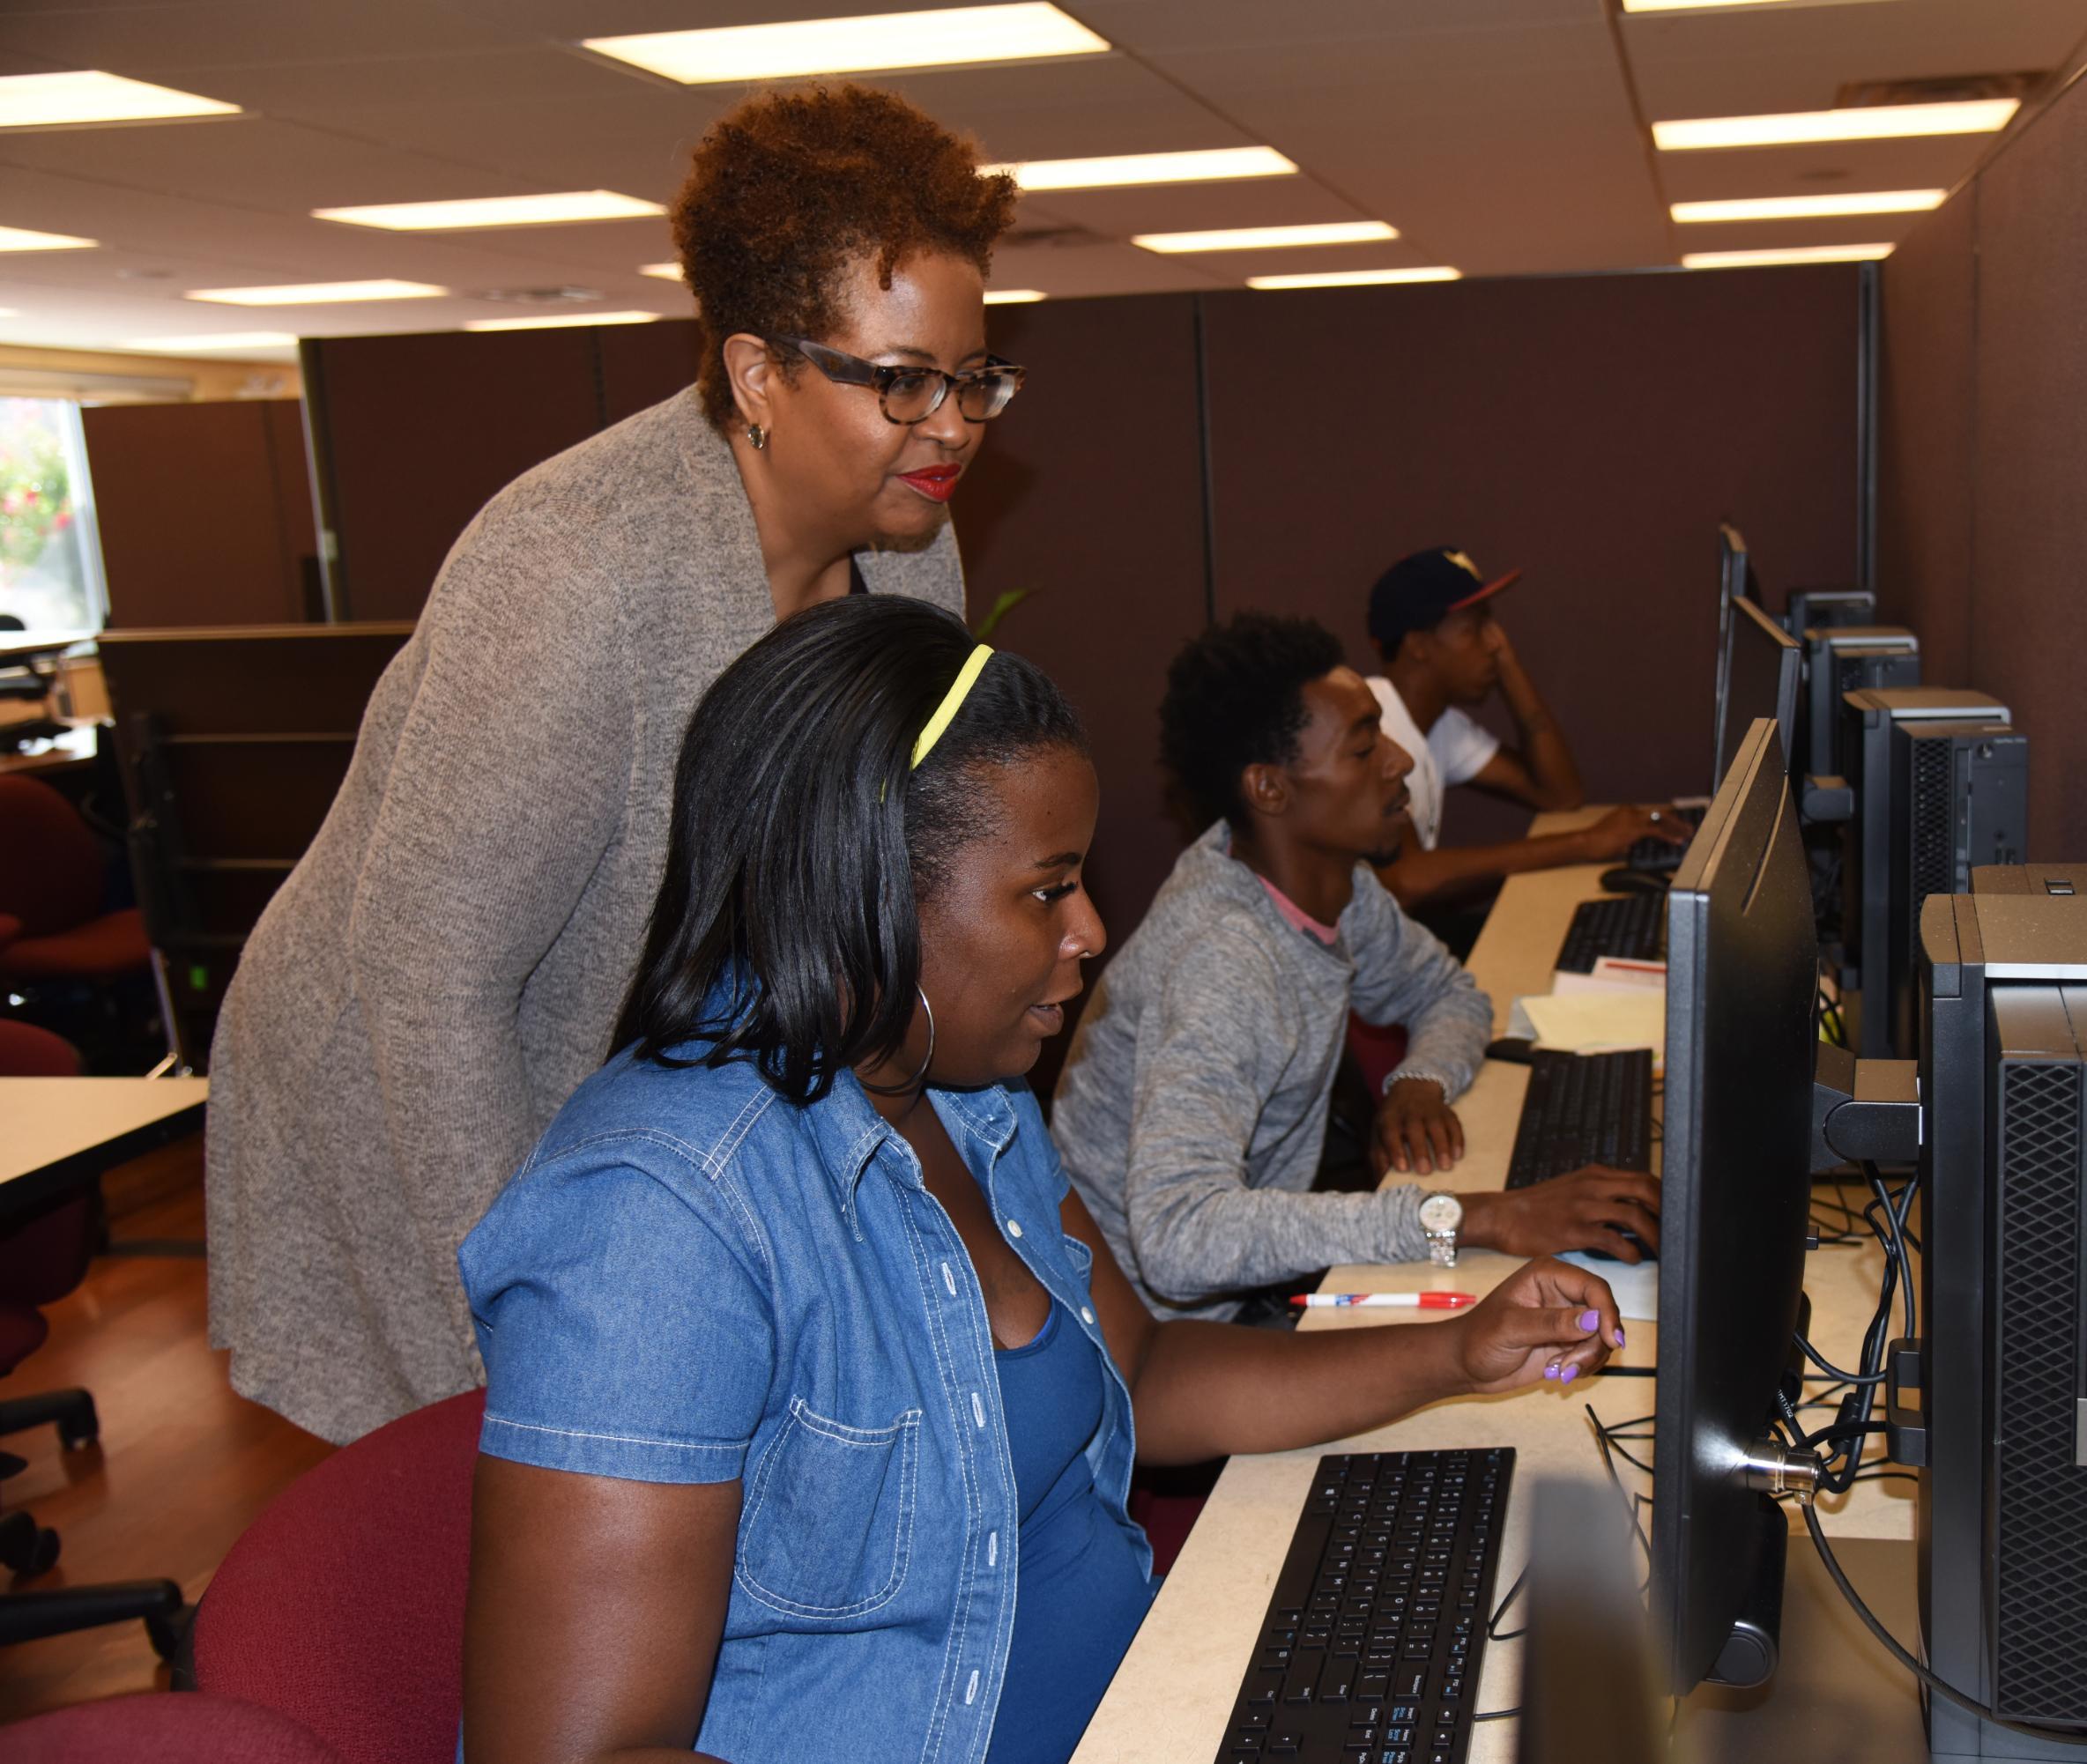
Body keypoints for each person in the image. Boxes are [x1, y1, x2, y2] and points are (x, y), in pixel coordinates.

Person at [457, 597, 1624, 1764]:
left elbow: (1148, 1369)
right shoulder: (652, 1214)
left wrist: (1460, 1346)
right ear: (867, 887)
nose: (1093, 928)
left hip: (1162, 1696)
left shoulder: (969, 1095)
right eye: (1044, 889)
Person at [206, 85, 1026, 1442]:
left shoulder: (912, 548)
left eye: (973, 378)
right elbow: (427, 982)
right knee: (516, 1494)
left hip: (625, 1055)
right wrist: (548, 1305)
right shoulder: (574, 562)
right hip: (415, 1092)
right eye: (902, 381)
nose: (951, 426)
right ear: (760, 372)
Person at [1048, 612, 1664, 1321]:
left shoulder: (1329, 885)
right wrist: (1473, 1217)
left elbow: (1447, 992)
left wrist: (1420, 1080)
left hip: (1238, 1293)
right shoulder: (1224, 961)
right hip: (1160, 1338)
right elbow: (1179, 1238)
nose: (1400, 760)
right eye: (1365, 747)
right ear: (1271, 789)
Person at [1360, 547, 1689, 917]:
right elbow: (1407, 879)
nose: (1495, 643)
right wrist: (1586, 842)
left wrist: (1509, 668)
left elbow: (1558, 793)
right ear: (1418, 645)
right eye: (1475, 629)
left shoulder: (1439, 725)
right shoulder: (1367, 728)